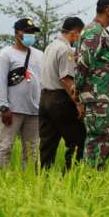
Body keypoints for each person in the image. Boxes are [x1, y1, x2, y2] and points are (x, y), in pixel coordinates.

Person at [75, 0, 109, 169]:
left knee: (105, 143)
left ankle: (96, 184)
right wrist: (78, 94)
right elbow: (83, 63)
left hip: (107, 99)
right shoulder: (93, 31)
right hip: (97, 99)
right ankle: (88, 184)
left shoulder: (104, 33)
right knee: (96, 142)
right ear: (108, 9)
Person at [0, 18, 43, 170]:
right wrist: (3, 107)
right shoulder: (6, 55)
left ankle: (29, 181)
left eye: (32, 32)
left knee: (32, 149)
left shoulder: (39, 55)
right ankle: (0, 180)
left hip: (34, 111)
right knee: (6, 146)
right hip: (12, 111)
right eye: (26, 32)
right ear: (16, 33)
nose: (30, 35)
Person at [38, 16, 85, 170]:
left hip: (45, 98)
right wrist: (78, 103)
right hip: (60, 99)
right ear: (75, 33)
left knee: (47, 144)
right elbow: (66, 80)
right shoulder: (65, 50)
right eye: (80, 35)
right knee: (78, 139)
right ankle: (71, 175)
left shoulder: (50, 47)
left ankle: (44, 177)